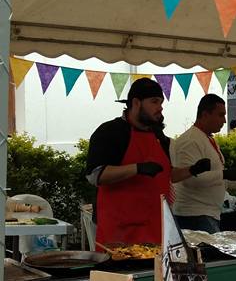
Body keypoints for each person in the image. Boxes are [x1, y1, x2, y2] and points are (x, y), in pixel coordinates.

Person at [86, 78, 210, 248]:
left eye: (161, 102)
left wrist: (193, 169)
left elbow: (166, 175)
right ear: (136, 103)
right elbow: (95, 175)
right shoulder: (110, 132)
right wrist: (137, 169)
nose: (160, 107)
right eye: (154, 102)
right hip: (119, 234)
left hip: (156, 230)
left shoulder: (159, 136)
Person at [171, 93, 228, 233]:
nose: (225, 120)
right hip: (194, 216)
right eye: (221, 115)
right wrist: (224, 174)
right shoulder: (190, 140)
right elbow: (190, 180)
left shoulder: (205, 138)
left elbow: (214, 176)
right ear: (205, 115)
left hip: (206, 215)